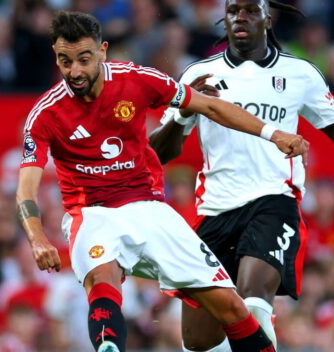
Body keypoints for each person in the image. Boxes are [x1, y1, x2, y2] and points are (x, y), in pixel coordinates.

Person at [148, 1, 334, 351]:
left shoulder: (298, 74)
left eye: (250, 9)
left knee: (253, 301)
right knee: (198, 341)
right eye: (233, 10)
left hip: (273, 204)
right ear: (224, 19)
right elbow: (159, 152)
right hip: (215, 211)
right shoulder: (197, 75)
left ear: (268, 17)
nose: (240, 17)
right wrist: (187, 109)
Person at [16, 11, 309, 352]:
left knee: (230, 307)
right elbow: (25, 189)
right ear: (56, 55)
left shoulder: (136, 79)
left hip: (150, 209)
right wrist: (37, 238)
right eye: (65, 61)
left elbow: (210, 107)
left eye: (84, 59)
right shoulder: (45, 114)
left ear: (103, 51)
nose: (75, 72)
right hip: (92, 213)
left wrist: (272, 134)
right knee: (102, 277)